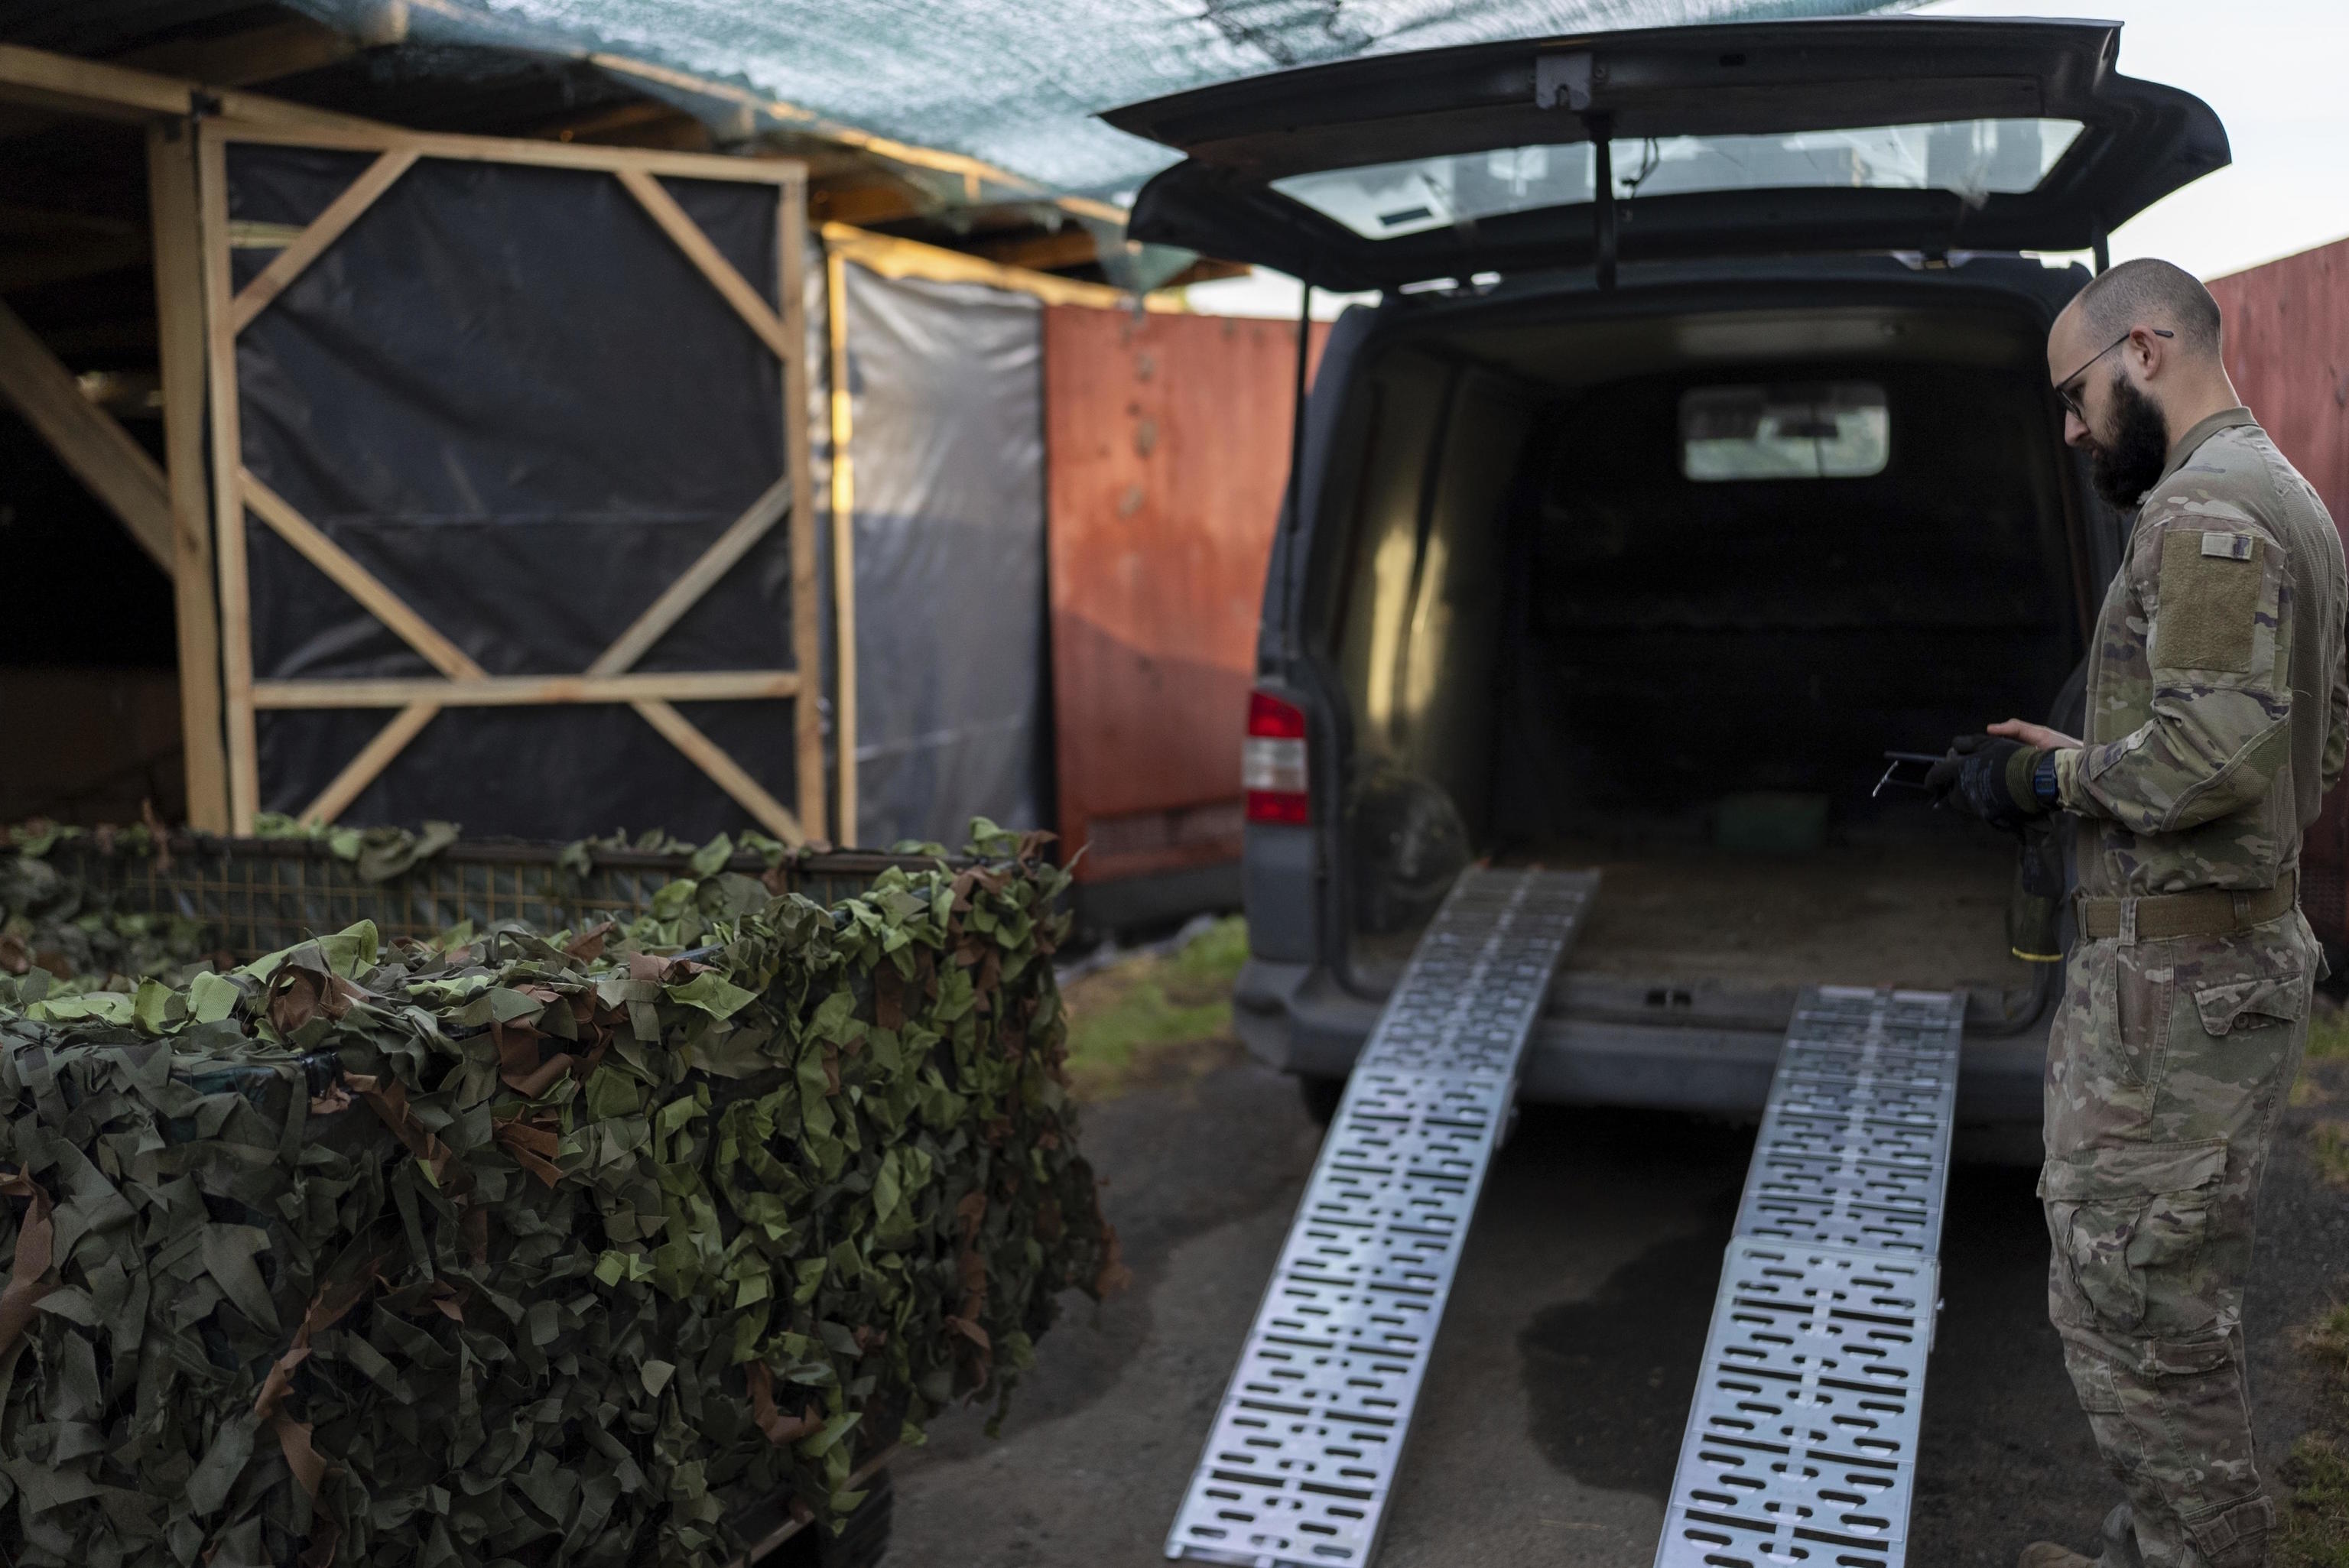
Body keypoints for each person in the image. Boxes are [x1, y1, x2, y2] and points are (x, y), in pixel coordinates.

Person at [1927, 257, 2348, 1568]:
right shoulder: (2285, 492)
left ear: (2146, 349)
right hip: (2209, 970)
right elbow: (2303, 740)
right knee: (2140, 1301)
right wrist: (2104, 752)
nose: (2071, 426)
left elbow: (2220, 756)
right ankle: (2151, 1546)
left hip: (2183, 995)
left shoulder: (2199, 514)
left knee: (2146, 1329)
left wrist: (2044, 777)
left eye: (2077, 393)